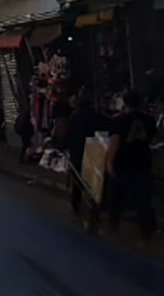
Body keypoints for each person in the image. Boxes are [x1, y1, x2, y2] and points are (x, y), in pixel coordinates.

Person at [104, 92, 157, 246]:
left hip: (123, 163)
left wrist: (109, 163)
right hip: (142, 163)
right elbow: (153, 140)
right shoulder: (149, 120)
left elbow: (114, 143)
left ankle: (113, 228)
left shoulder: (119, 121)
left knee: (116, 198)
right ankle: (145, 235)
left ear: (124, 104)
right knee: (143, 200)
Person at [65, 90, 106, 219]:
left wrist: (62, 145)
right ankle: (93, 205)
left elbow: (68, 135)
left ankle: (76, 205)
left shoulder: (73, 117)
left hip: (78, 152)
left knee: (78, 182)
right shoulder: (97, 116)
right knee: (93, 182)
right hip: (94, 153)